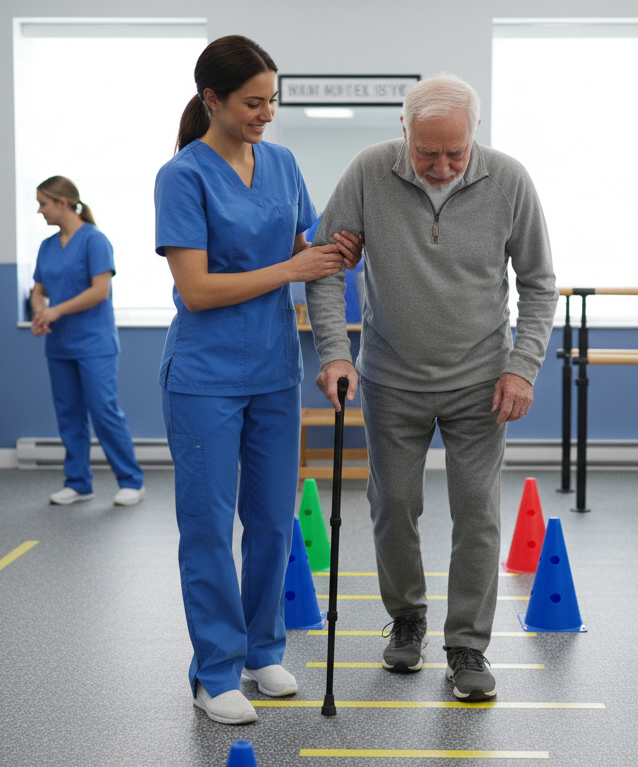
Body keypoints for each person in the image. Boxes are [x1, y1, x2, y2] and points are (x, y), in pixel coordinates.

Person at [305, 73, 557, 702]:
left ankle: (468, 645)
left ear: (475, 135)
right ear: (404, 133)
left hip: (482, 382)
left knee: (477, 514)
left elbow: (539, 283)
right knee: (394, 507)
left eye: (456, 152)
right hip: (391, 379)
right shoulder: (368, 173)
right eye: (427, 153)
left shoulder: (509, 181)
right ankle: (408, 617)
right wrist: (337, 353)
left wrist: (522, 366)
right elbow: (325, 268)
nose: (442, 166)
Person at [154, 35, 361, 726]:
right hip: (206, 374)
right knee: (208, 526)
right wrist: (292, 270)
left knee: (271, 519)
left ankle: (261, 648)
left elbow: (301, 247)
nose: (266, 113)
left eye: (273, 99)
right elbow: (197, 287)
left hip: (274, 369)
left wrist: (332, 251)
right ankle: (212, 671)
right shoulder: (182, 176)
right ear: (211, 99)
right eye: (252, 102)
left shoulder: (282, 162)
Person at [30, 175, 145, 508]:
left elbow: (100, 290)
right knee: (68, 415)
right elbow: (38, 290)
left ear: (62, 203)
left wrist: (55, 312)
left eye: (43, 204)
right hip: (60, 345)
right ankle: (78, 482)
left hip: (95, 342)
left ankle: (130, 481)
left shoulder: (95, 240)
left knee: (103, 411)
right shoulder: (47, 246)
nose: (40, 211)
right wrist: (40, 312)